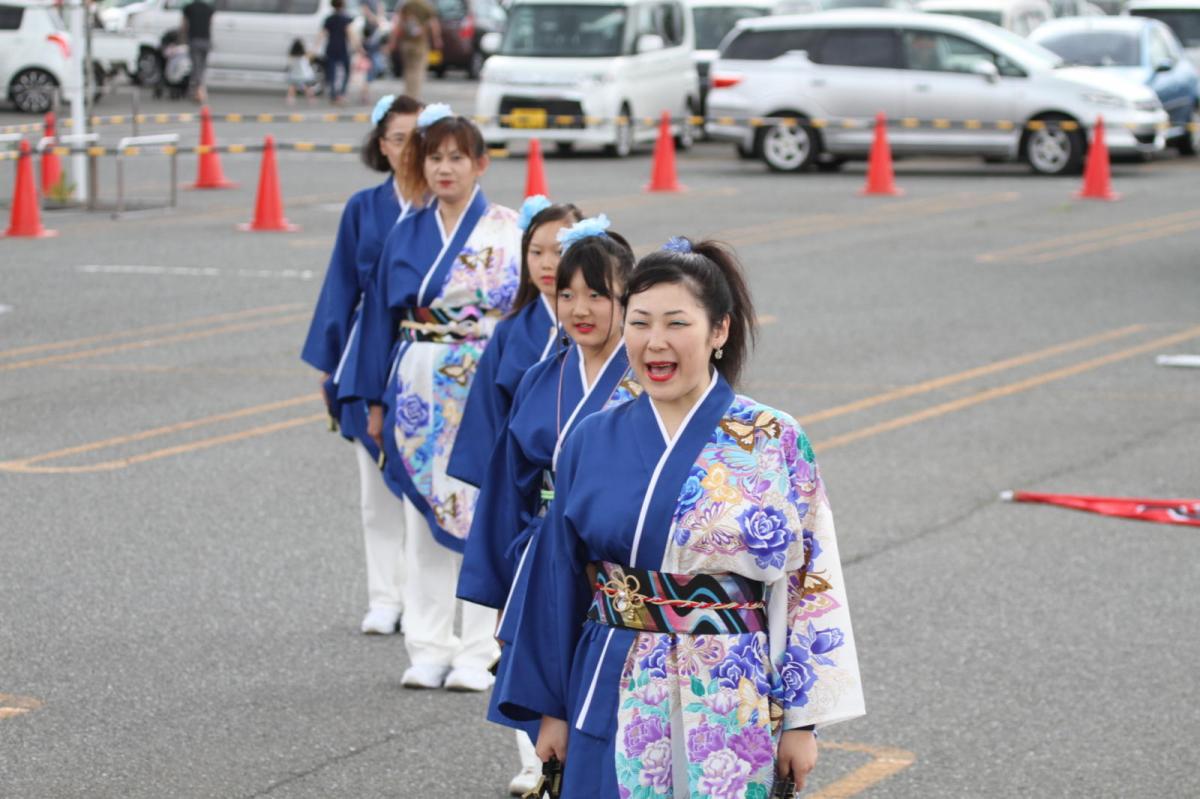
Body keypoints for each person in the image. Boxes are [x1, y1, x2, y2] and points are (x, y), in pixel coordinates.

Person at [495, 239, 865, 797]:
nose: (655, 342)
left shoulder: (773, 438)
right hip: (613, 677)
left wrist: (800, 722)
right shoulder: (590, 438)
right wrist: (551, 708)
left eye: (676, 323)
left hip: (731, 690)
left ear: (719, 331)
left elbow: (808, 583)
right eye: (639, 323)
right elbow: (556, 580)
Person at [338, 104, 521, 692]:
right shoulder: (405, 232)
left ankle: (476, 649)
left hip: (483, 382)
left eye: (456, 158)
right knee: (421, 515)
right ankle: (427, 644)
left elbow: (523, 316)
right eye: (435, 158)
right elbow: (376, 323)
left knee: (482, 514)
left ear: (480, 164)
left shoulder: (507, 229)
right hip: (415, 382)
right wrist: (370, 398)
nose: (445, 169)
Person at [457, 219, 639, 796]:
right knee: (536, 659)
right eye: (567, 294)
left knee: (604, 678)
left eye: (597, 294)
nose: (579, 309)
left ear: (627, 298)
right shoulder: (545, 376)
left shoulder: (645, 381)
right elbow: (509, 479)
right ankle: (542, 770)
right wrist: (502, 562)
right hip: (542, 546)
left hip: (613, 556)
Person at [301, 94, 424, 636]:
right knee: (375, 490)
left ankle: (429, 598)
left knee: (430, 488)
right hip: (367, 354)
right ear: (382, 145)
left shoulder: (448, 209)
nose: (411, 150)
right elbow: (339, 286)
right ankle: (385, 595)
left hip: (429, 356)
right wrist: (330, 365)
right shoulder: (363, 207)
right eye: (400, 138)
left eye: (422, 138)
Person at [445, 195, 583, 490]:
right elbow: (487, 410)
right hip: (521, 477)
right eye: (536, 252)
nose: (547, 264)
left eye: (559, 252)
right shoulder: (510, 330)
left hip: (587, 473)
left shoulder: (602, 327)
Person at [389, 0, 442, 100]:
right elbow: (433, 23)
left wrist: (393, 41)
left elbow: (397, 23)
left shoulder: (404, 4)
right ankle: (414, 96)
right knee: (418, 70)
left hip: (406, 43)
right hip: (420, 43)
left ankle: (408, 93)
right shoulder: (426, 5)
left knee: (408, 70)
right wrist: (437, 39)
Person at [179, 0, 214, 103]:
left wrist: (182, 38)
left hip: (194, 40)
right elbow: (210, 23)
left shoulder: (188, 8)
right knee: (202, 67)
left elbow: (184, 24)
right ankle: (200, 90)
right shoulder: (209, 8)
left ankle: (197, 92)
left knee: (196, 67)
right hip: (206, 40)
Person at [321, 0, 354, 105]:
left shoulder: (328, 19)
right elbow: (350, 34)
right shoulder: (346, 19)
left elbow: (322, 34)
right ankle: (341, 94)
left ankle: (333, 95)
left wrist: (314, 48)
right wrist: (358, 47)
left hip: (331, 48)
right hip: (342, 48)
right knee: (347, 72)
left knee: (332, 73)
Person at [286, 38, 316, 106]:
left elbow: (290, 65)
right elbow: (312, 56)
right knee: (308, 87)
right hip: (305, 75)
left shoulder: (291, 56)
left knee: (292, 87)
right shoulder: (306, 55)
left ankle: (290, 99)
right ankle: (311, 99)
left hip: (295, 75)